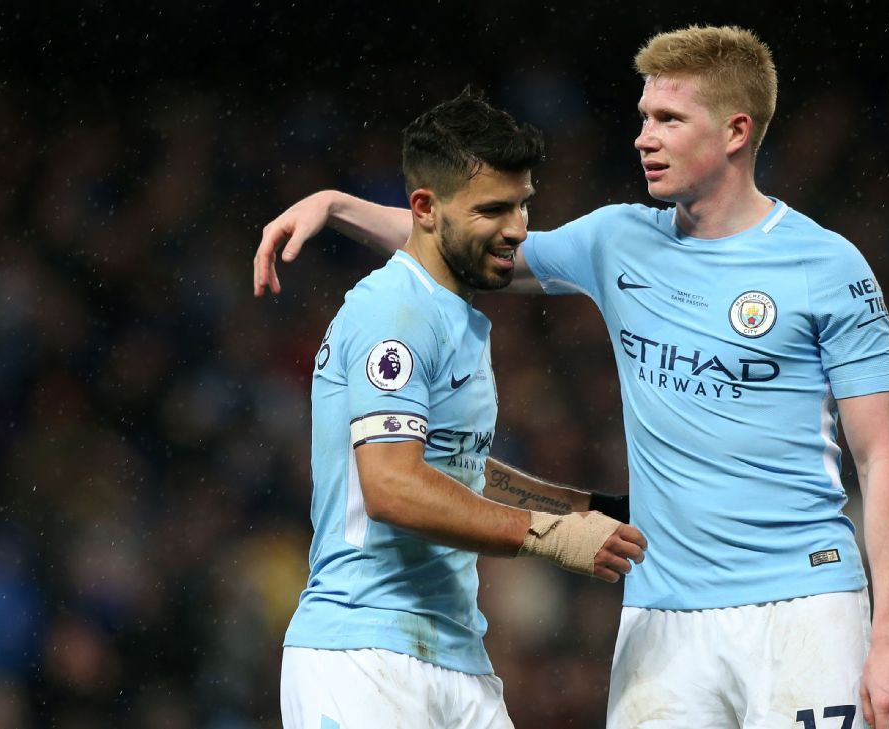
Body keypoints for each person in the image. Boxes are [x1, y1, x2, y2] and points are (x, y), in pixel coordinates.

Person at [255, 26, 889, 729]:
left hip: (803, 600)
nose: (644, 138)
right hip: (661, 615)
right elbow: (464, 237)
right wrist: (337, 206)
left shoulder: (828, 267)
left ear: (736, 130)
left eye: (668, 119)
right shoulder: (618, 239)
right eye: (644, 117)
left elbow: (881, 458)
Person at [260, 91, 647, 729]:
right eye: (493, 209)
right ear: (425, 209)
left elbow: (453, 470)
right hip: (365, 652)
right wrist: (551, 536)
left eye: (522, 204)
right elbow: (392, 486)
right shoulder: (395, 313)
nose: (517, 228)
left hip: (452, 652)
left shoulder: (451, 314)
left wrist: (589, 508)